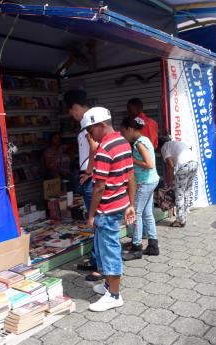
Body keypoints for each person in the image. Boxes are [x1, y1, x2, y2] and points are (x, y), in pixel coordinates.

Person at [82, 107, 136, 312]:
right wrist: (131, 204)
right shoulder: (123, 142)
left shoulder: (104, 149)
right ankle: (107, 285)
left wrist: (91, 214)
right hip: (120, 203)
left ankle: (114, 295)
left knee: (109, 249)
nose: (89, 134)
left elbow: (99, 187)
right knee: (104, 246)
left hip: (106, 208)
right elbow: (130, 176)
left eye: (90, 130)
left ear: (100, 125)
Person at [64, 90, 102, 281]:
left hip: (91, 178)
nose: (72, 116)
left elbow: (95, 148)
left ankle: (100, 264)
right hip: (93, 176)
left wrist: (88, 172)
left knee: (96, 222)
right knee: (96, 222)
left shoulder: (88, 121)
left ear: (76, 107)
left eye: (72, 112)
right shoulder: (93, 118)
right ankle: (96, 260)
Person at [120, 117, 160, 260]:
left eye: (124, 132)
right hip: (151, 181)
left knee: (136, 213)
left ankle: (137, 247)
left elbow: (149, 164)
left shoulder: (139, 144)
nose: (123, 135)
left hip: (145, 182)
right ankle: (153, 246)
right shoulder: (146, 140)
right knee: (147, 213)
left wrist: (132, 160)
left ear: (130, 129)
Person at [160, 137, 198, 227]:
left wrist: (169, 181)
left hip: (184, 166)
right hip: (194, 164)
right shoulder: (175, 143)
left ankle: (180, 221)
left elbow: (170, 165)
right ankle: (184, 216)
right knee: (187, 192)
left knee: (180, 194)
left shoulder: (164, 147)